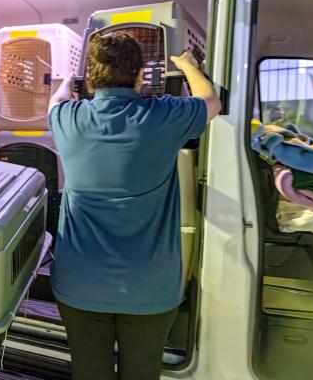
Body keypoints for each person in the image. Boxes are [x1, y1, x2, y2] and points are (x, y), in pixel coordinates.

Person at [47, 33, 221, 380]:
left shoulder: (67, 118)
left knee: (89, 370)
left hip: (80, 283)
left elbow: (56, 99)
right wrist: (187, 65)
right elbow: (210, 101)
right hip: (150, 286)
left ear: (91, 78)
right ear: (140, 74)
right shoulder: (166, 116)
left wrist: (67, 79)